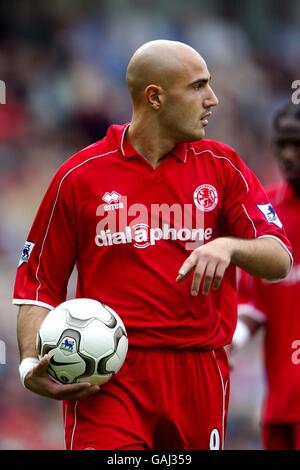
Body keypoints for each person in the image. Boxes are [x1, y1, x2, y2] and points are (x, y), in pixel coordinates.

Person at [14, 40, 292, 451]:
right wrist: (27, 363)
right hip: (108, 375)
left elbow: (279, 257)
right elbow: (37, 283)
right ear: (155, 97)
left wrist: (229, 248)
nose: (212, 100)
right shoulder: (80, 176)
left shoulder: (223, 166)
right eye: (198, 87)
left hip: (199, 374)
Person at [232, 101, 300, 450]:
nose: (288, 154)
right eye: (281, 144)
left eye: (298, 144)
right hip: (281, 406)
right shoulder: (266, 216)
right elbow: (253, 303)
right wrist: (233, 339)